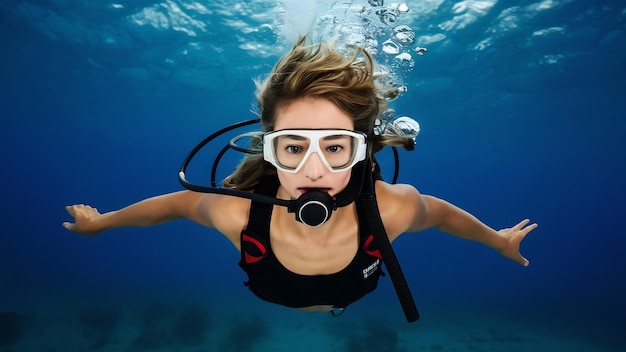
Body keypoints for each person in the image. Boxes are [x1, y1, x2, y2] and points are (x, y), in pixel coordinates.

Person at [63, 36, 537, 315]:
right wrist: (101, 223)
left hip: (337, 301)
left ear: (361, 150)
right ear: (270, 151)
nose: (314, 170)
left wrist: (496, 240)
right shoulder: (237, 212)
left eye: (335, 147)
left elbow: (441, 215)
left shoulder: (393, 206)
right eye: (293, 147)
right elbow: (173, 205)